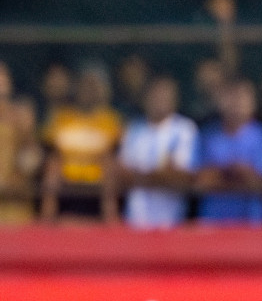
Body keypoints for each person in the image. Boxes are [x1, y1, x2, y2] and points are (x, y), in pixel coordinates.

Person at [40, 62, 123, 223]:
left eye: (94, 85)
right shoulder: (61, 118)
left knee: (110, 165)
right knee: (52, 166)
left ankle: (110, 219)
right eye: (85, 84)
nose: (89, 90)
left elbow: (114, 155)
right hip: (66, 185)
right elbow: (51, 153)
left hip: (97, 187)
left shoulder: (111, 120)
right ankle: (47, 219)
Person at [117, 75, 198, 229]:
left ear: (175, 99)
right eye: (155, 95)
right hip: (135, 223)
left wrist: (140, 176)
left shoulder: (185, 129)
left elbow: (182, 178)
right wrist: (159, 175)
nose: (160, 100)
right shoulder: (133, 129)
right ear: (145, 98)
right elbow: (121, 176)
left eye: (165, 95)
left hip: (172, 223)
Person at [196, 76, 262, 225]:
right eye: (232, 97)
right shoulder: (208, 134)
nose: (237, 103)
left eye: (243, 98)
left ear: (253, 103)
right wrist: (228, 171)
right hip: (212, 221)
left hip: (251, 222)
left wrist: (241, 173)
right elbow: (199, 181)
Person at [0, 63, 41, 223]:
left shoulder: (22, 116)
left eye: (3, 76)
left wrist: (15, 180)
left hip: (15, 208)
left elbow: (32, 159)